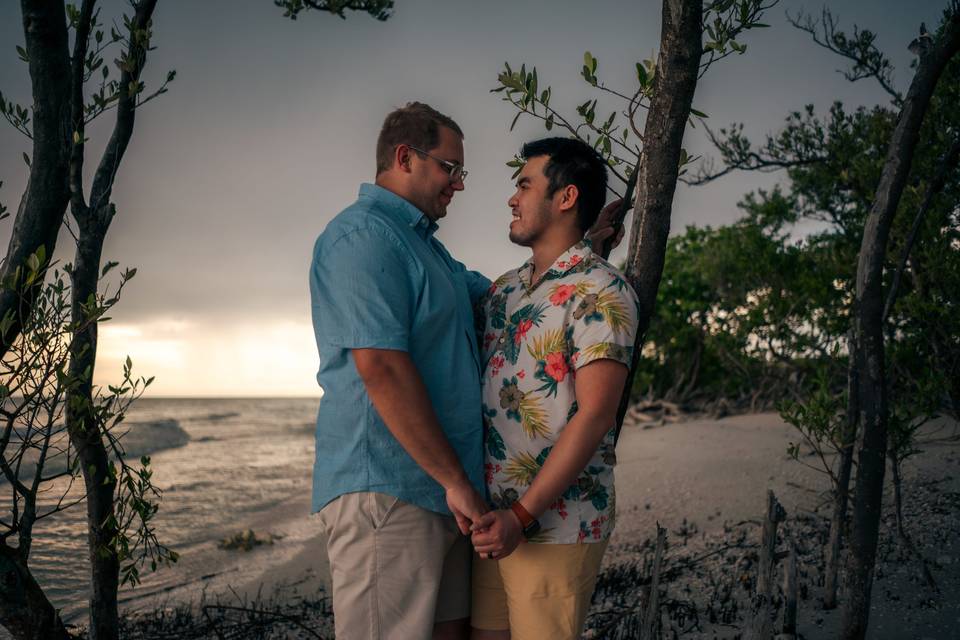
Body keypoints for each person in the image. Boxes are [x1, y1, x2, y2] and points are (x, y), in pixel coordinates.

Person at [309, 102, 490, 640]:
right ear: (405, 156)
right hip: (390, 492)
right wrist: (455, 480)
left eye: (461, 172)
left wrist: (579, 244)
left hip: (443, 493)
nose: (458, 184)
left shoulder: (426, 249)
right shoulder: (362, 237)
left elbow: (503, 298)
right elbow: (382, 368)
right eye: (449, 168)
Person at [469, 137, 640, 640]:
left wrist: (521, 516)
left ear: (565, 198)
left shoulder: (603, 291)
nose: (512, 197)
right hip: (493, 523)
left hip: (557, 525)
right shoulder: (505, 290)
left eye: (524, 184)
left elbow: (595, 414)